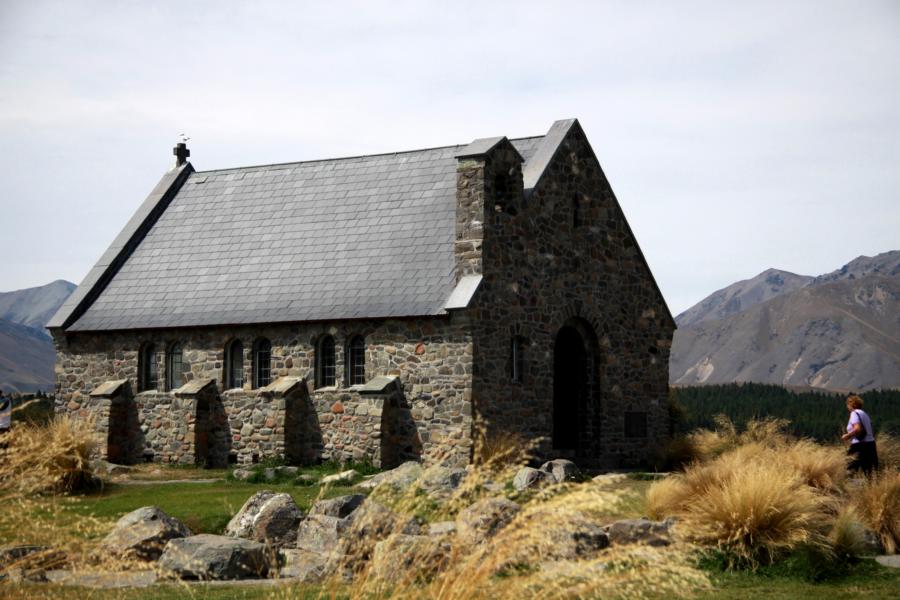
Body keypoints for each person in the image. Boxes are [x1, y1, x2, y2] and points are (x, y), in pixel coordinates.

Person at [841, 394, 878, 476]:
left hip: (859, 445)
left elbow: (857, 429)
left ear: (852, 404)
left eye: (847, 404)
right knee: (870, 473)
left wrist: (847, 436)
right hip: (871, 444)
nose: (847, 407)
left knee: (849, 470)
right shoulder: (865, 414)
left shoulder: (854, 413)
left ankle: (851, 488)